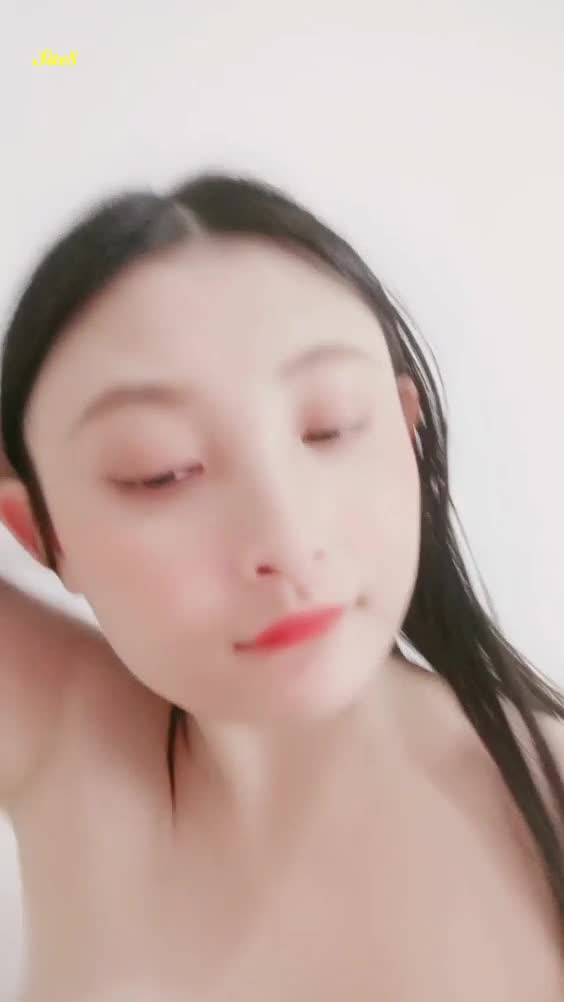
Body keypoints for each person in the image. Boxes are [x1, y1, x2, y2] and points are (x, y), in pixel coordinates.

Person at [0, 171, 562, 1002]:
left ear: (408, 437)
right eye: (162, 470)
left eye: (330, 427)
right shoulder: (61, 734)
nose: (289, 542)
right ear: (38, 531)